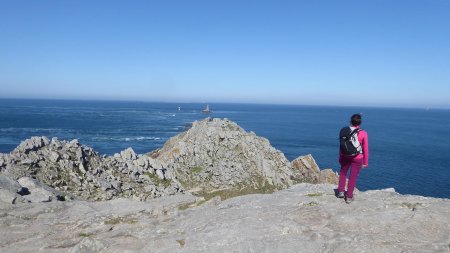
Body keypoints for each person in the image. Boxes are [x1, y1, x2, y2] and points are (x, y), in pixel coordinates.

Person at [337, 114, 369, 204]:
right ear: (360, 123)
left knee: (343, 173)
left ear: (350, 121)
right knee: (353, 177)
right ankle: (349, 196)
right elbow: (365, 148)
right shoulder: (363, 133)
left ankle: (340, 192)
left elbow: (341, 146)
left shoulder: (344, 131)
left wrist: (340, 157)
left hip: (345, 156)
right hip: (357, 157)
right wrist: (365, 162)